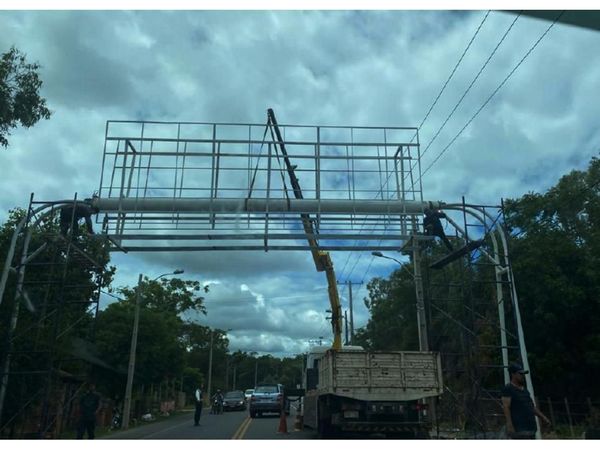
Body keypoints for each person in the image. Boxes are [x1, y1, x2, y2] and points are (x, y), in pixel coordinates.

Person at [501, 363, 551, 439]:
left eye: (523, 374)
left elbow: (531, 406)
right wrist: (509, 424)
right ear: (513, 374)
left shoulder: (524, 390)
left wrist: (543, 417)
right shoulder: (508, 389)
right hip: (519, 429)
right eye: (520, 374)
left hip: (531, 428)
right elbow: (506, 407)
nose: (522, 376)